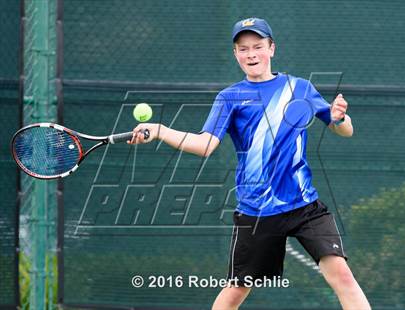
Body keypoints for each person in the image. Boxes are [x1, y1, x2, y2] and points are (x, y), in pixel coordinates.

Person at [129, 17, 370, 310]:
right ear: (235, 54)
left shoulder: (300, 88)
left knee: (343, 277)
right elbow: (205, 145)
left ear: (272, 48)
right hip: (257, 211)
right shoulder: (229, 98)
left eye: (257, 46)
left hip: (305, 206)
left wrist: (340, 118)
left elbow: (343, 129)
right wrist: (159, 131)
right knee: (235, 292)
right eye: (243, 49)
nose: (251, 54)